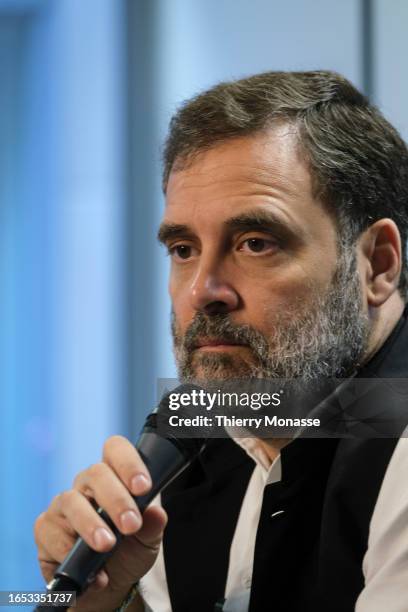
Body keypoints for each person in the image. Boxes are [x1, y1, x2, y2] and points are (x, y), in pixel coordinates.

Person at [34, 70, 408, 611]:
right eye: (183, 249)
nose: (202, 293)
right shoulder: (198, 438)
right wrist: (108, 600)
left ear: (376, 264)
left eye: (256, 243)